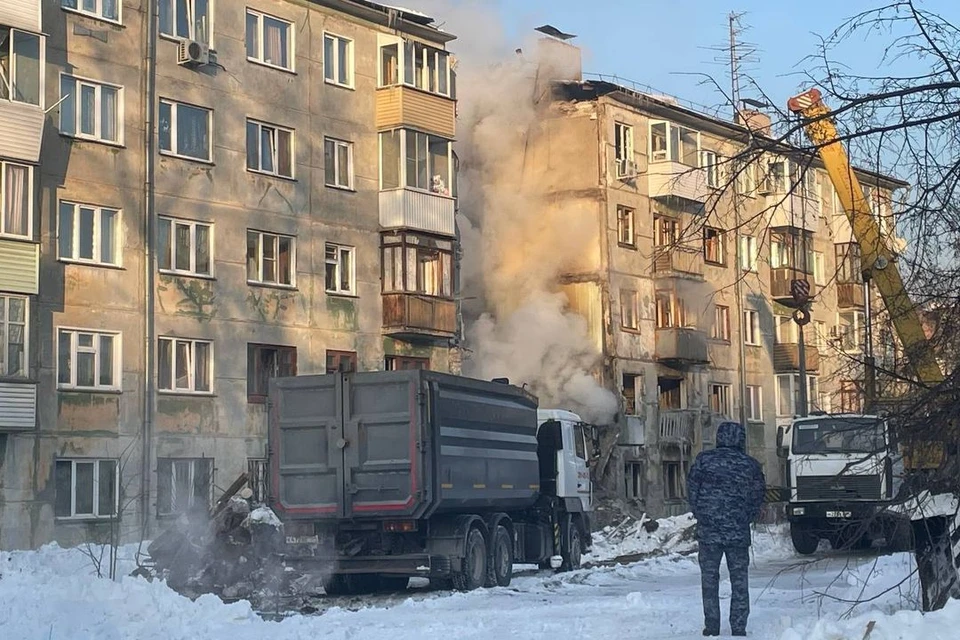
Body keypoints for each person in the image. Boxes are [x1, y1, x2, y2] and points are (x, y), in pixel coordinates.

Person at [686, 421, 766, 637]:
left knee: (709, 581)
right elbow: (758, 497)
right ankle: (738, 627)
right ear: (740, 438)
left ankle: (711, 626)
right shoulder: (750, 465)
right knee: (739, 581)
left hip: (709, 533)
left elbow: (692, 491)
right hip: (738, 533)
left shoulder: (704, 461)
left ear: (719, 437)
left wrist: (702, 515)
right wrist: (744, 518)